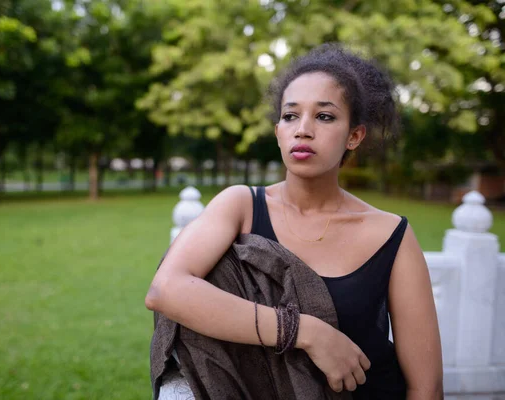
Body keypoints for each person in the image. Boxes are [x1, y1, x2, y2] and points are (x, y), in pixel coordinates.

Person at [145, 44, 443, 399]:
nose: (303, 130)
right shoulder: (241, 206)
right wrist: (308, 332)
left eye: (325, 116)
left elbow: (426, 387)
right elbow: (166, 289)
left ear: (354, 136)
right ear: (278, 132)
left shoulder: (392, 234)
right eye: (290, 116)